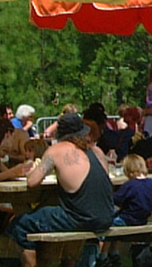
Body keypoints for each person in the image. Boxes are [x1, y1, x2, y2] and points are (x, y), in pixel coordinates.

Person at [8, 114, 118, 267]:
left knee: (21, 224)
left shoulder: (56, 150)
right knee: (47, 214)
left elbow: (32, 182)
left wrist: (30, 169)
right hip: (106, 216)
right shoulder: (96, 151)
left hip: (80, 217)